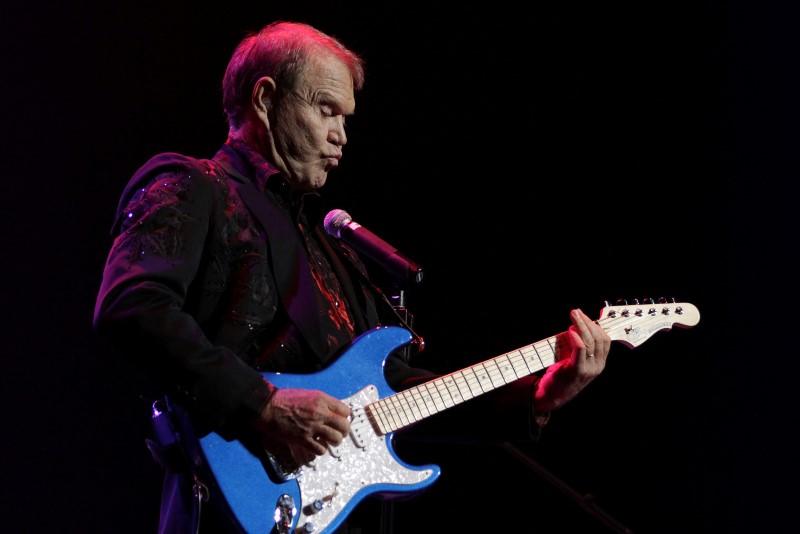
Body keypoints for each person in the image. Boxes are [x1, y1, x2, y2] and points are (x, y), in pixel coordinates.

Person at [93, 21, 611, 533]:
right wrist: (263, 404)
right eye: (326, 110)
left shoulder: (329, 248)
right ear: (266, 98)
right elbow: (133, 306)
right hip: (225, 505)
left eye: (346, 118)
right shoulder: (195, 185)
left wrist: (537, 397)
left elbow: (395, 395)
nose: (342, 135)